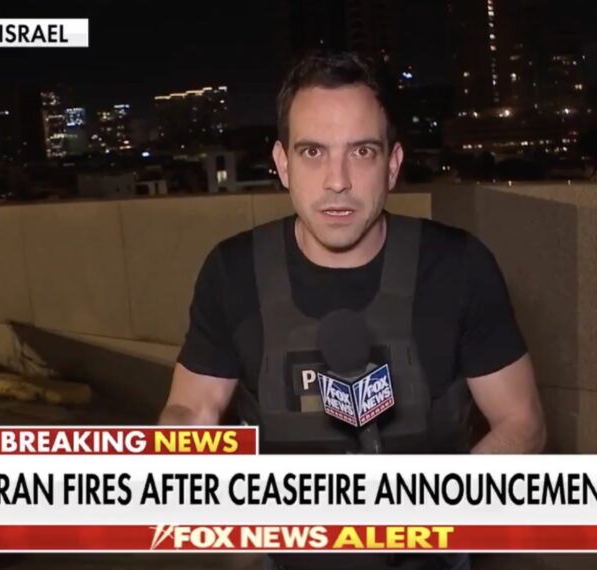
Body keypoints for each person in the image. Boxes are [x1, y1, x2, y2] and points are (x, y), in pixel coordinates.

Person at [158, 51, 546, 570]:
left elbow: (522, 423)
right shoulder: (233, 271)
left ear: (392, 164)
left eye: (361, 151)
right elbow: (192, 409)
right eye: (313, 152)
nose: (336, 180)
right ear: (282, 164)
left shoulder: (459, 266)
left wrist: (435, 517)